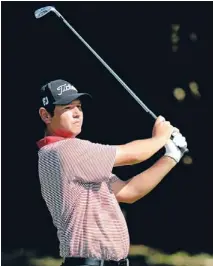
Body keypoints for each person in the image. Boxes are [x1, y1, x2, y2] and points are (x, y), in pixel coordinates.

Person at [37, 79, 187, 266]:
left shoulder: (79, 161)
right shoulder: (64, 151)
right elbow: (133, 155)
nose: (77, 113)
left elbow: (128, 192)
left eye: (79, 107)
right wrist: (160, 137)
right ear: (46, 115)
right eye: (67, 108)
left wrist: (171, 156)